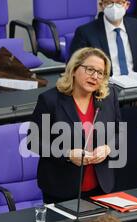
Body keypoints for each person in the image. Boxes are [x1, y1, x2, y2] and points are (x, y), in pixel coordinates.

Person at [29, 47, 122, 204]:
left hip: (101, 187)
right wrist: (67, 154)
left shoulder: (108, 96)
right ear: (73, 69)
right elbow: (33, 142)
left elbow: (120, 134)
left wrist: (108, 148)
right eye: (90, 70)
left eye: (100, 73)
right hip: (61, 189)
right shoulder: (50, 100)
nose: (95, 76)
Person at [69, 0, 137, 76]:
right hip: (104, 85)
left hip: (136, 83)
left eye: (119, 3)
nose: (114, 7)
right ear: (102, 5)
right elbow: (75, 67)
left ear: (127, 5)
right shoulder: (85, 32)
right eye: (109, 2)